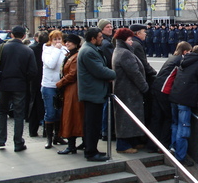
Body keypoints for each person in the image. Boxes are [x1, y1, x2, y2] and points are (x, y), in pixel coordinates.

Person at [0, 25, 37, 152]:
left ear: (11, 34)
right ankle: (18, 142)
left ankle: (1, 140)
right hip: (20, 85)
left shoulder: (1, 48)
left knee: (2, 112)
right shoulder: (27, 51)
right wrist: (24, 80)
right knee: (19, 114)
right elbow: (33, 71)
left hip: (3, 84)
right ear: (23, 36)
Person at [169, 44, 198, 166]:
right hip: (185, 98)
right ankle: (180, 157)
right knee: (184, 128)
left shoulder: (184, 59)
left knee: (175, 124)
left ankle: (172, 148)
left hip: (174, 96)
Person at [77, 27, 116, 162]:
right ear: (92, 39)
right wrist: (114, 74)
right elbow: (100, 70)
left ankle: (92, 148)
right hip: (92, 93)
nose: (102, 39)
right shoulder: (88, 51)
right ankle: (91, 152)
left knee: (93, 124)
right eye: (100, 37)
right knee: (92, 124)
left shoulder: (91, 49)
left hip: (94, 92)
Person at [149, 41, 193, 153]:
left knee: (156, 117)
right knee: (168, 118)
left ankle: (152, 145)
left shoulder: (172, 58)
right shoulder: (180, 60)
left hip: (156, 87)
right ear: (185, 51)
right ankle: (163, 145)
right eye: (189, 52)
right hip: (165, 90)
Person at [112, 28, 149, 154]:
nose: (132, 42)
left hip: (126, 90)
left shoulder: (120, 50)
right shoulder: (124, 53)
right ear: (123, 40)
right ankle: (123, 144)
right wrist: (144, 87)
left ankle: (133, 141)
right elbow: (135, 73)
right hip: (128, 91)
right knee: (126, 118)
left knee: (130, 118)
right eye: (129, 40)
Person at [56, 33, 85, 154]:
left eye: (70, 42)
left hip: (73, 90)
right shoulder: (69, 55)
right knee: (71, 117)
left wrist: (60, 83)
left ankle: (72, 145)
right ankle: (73, 144)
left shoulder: (76, 56)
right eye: (66, 41)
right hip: (69, 89)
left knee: (72, 116)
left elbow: (72, 75)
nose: (67, 43)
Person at [41, 30, 68, 149]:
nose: (58, 42)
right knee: (50, 113)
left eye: (59, 39)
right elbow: (51, 64)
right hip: (49, 85)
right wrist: (57, 50)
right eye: (55, 39)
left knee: (59, 113)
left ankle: (57, 136)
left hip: (61, 85)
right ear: (51, 41)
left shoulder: (64, 50)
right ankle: (49, 138)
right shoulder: (47, 51)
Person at [28, 30, 48, 137]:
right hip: (46, 81)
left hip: (34, 81)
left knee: (34, 106)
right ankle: (46, 130)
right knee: (46, 106)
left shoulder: (31, 49)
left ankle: (33, 130)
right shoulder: (49, 50)